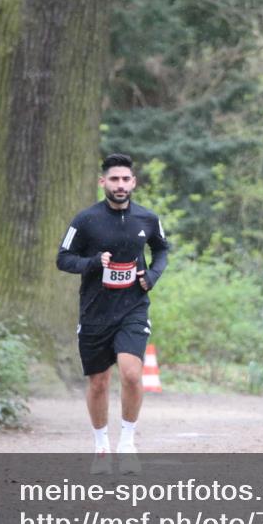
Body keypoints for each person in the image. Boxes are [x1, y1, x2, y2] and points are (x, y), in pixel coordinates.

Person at [57, 153, 169, 474]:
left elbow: (162, 249)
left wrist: (152, 275)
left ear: (133, 182)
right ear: (102, 182)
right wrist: (93, 262)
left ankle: (128, 443)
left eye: (125, 179)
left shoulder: (147, 219)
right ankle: (101, 447)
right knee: (99, 382)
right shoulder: (85, 220)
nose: (120, 185)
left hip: (133, 308)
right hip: (95, 311)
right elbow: (63, 258)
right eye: (114, 179)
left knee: (132, 374)